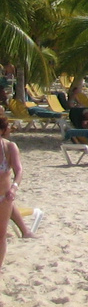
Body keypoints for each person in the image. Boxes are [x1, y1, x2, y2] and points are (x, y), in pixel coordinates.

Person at [1, 114, 35, 272]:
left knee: (1, 235)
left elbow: (19, 170)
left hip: (4, 197)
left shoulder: (9, 147)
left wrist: (14, 187)